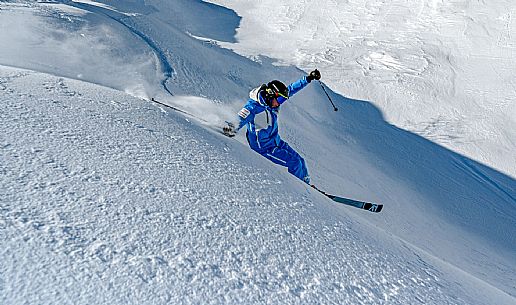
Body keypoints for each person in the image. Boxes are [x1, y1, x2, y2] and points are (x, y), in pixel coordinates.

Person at [223, 69, 321, 184]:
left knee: (301, 161)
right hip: (264, 148)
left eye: (281, 99)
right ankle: (302, 190)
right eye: (278, 99)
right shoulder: (253, 107)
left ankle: (306, 185)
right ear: (270, 95)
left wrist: (308, 79)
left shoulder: (272, 101)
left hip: (276, 141)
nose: (279, 103)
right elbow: (240, 118)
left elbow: (291, 89)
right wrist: (231, 128)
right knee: (294, 163)